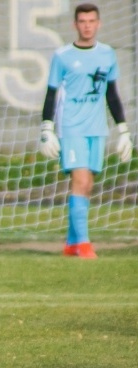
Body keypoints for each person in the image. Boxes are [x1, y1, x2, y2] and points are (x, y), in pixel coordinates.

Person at [39, 3, 133, 259]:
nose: (87, 25)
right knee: (79, 181)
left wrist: (123, 130)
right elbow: (51, 93)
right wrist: (46, 127)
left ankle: (71, 244)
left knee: (88, 184)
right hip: (72, 128)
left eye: (92, 21)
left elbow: (112, 95)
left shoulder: (108, 54)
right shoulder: (62, 56)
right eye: (82, 21)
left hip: (97, 128)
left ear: (98, 24)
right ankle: (84, 244)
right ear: (75, 25)